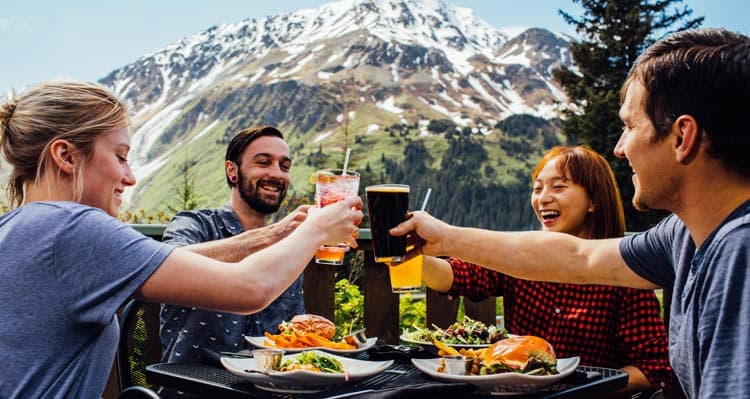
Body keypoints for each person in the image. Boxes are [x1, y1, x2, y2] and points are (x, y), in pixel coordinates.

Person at [392, 29, 750, 399]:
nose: (619, 148)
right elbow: (578, 257)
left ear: (681, 137)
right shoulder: (684, 234)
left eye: (629, 127)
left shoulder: (740, 251)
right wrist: (444, 237)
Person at [0, 80, 363, 398]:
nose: (130, 178)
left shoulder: (18, 228)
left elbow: (159, 260)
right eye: (121, 157)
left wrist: (280, 232)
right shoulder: (77, 229)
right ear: (66, 156)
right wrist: (316, 227)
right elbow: (251, 288)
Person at [422, 145, 671, 396]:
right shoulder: (520, 261)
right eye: (537, 188)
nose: (543, 198)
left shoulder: (622, 277)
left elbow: (654, 369)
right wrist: (410, 257)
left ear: (593, 201)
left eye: (558, 187)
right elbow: (457, 276)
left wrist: (583, 390)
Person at [160, 126, 308, 364]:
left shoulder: (287, 245)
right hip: (194, 388)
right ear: (232, 171)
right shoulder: (195, 224)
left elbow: (295, 332)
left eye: (284, 166)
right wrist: (274, 234)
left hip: (272, 388)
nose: (277, 174)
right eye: (263, 163)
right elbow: (166, 263)